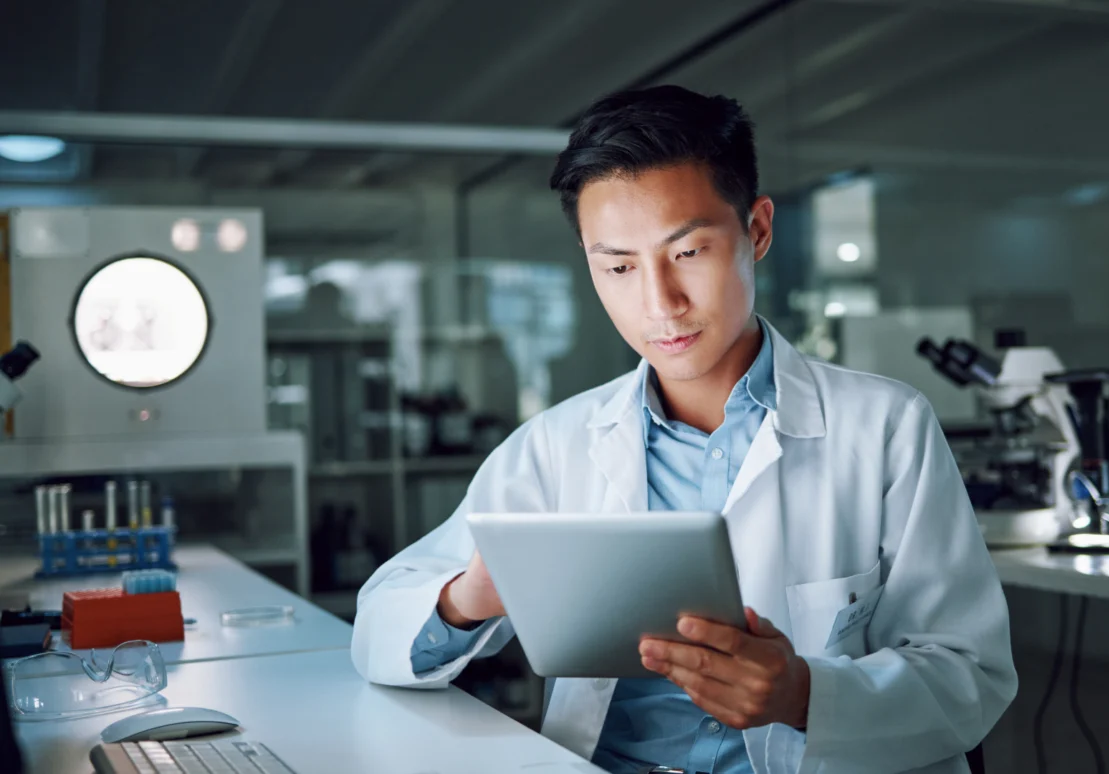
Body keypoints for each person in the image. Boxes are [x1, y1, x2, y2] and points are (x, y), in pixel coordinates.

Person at [351, 85, 1016, 774]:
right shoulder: (556, 446)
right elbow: (378, 627)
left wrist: (805, 694)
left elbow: (970, 675)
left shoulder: (885, 428)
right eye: (617, 266)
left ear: (756, 231)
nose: (659, 303)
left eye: (689, 253)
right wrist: (468, 599)